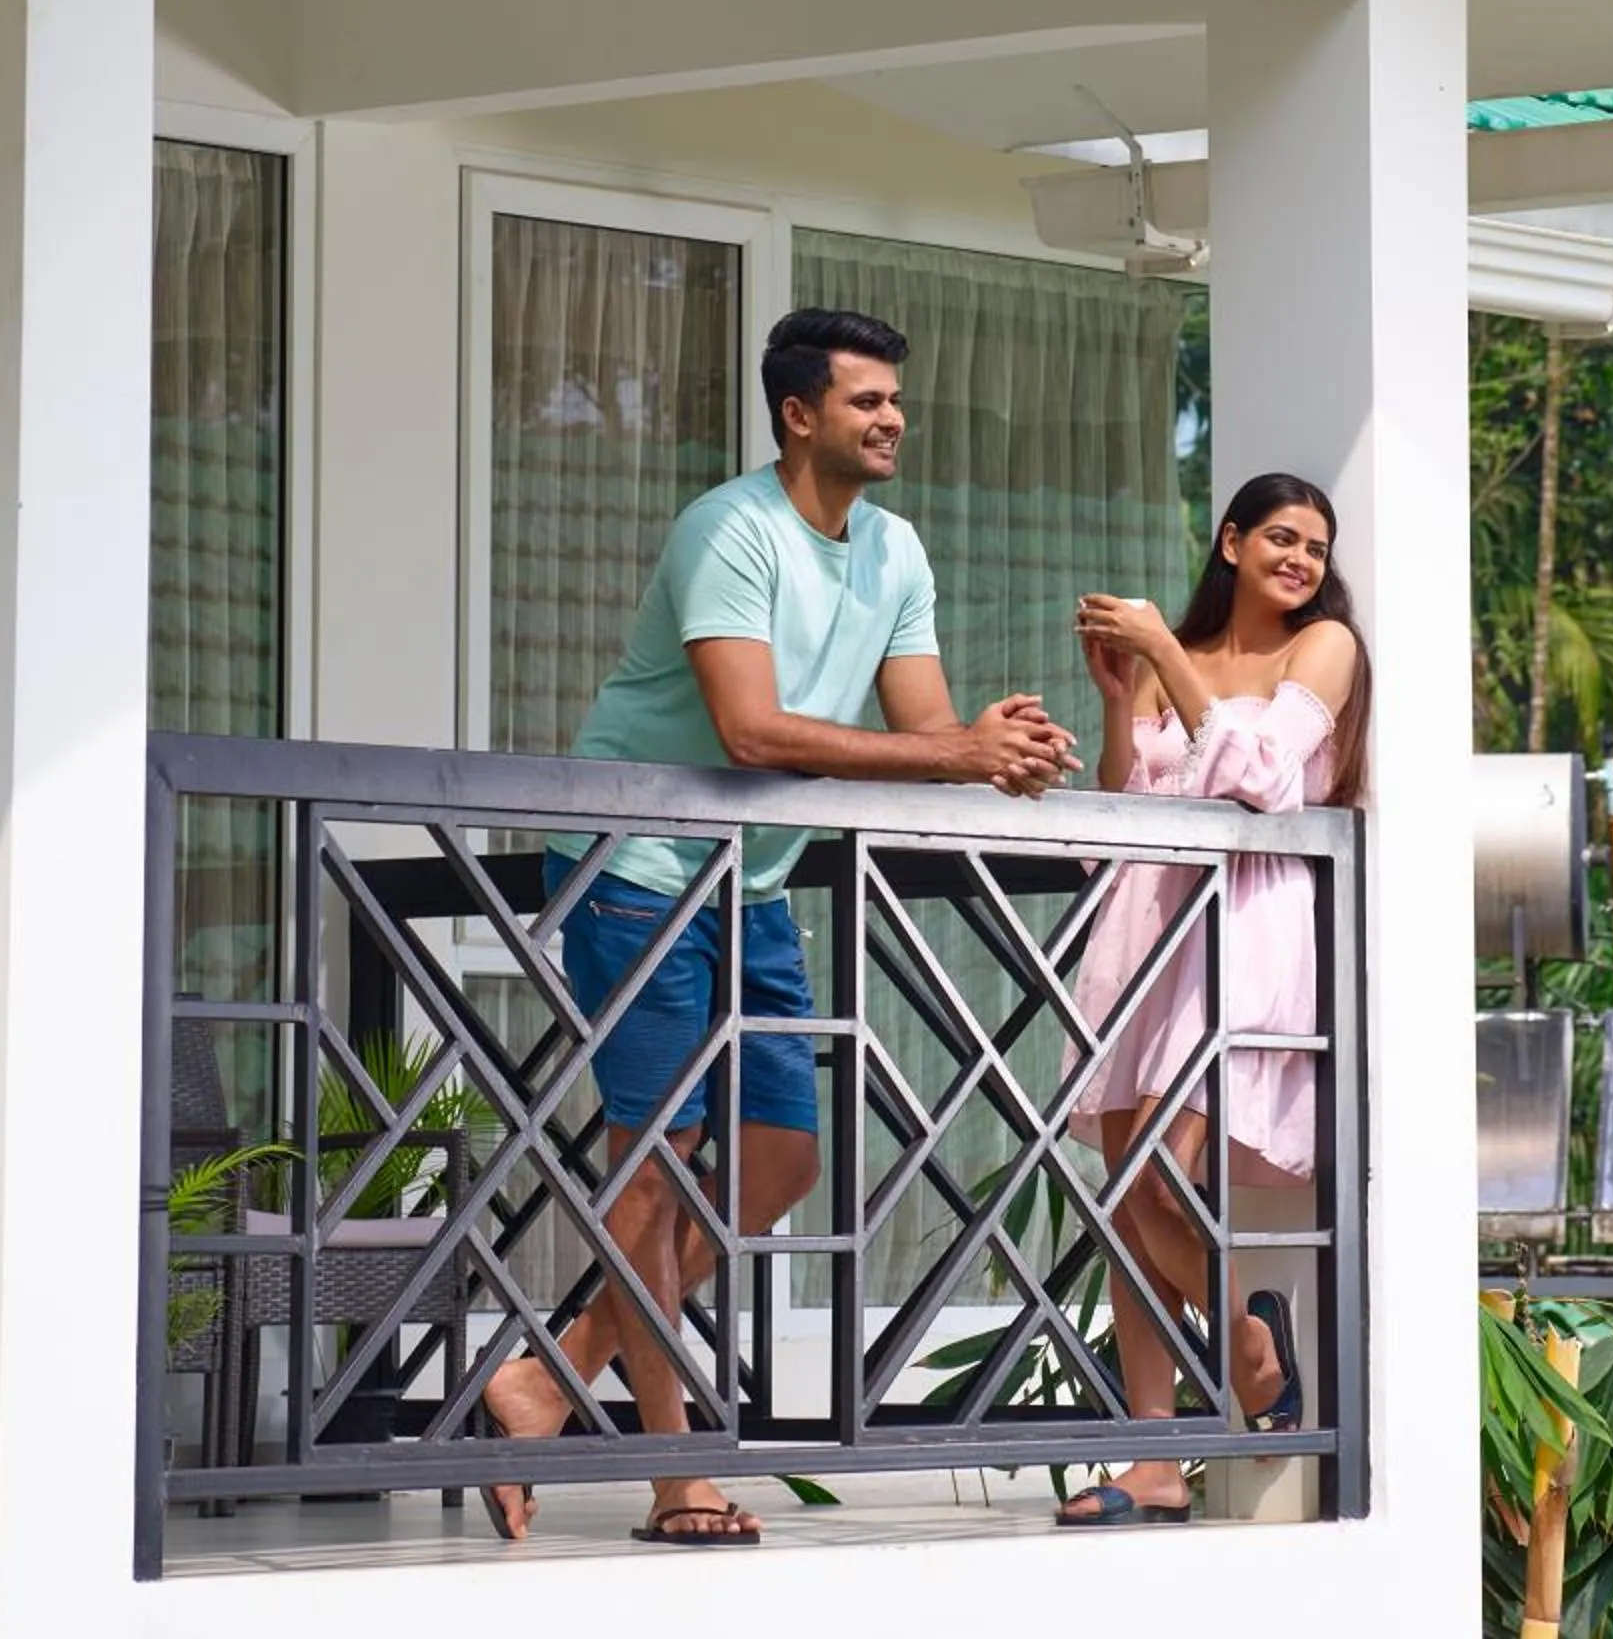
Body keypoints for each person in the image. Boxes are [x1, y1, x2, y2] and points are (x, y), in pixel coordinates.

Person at [479, 306, 1076, 1550]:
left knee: (782, 1160)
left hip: (749, 882)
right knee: (653, 1164)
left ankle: (545, 1376)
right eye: (866, 400)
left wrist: (993, 753)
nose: (892, 418)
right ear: (798, 413)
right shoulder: (730, 529)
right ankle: (675, 1474)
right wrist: (947, 750)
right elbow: (750, 730)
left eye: (896, 400)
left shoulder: (894, 549)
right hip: (635, 858)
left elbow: (923, 726)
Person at [1053, 472, 1370, 1531]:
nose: (1300, 560)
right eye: (1280, 538)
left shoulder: (1321, 649)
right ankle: (1150, 1455)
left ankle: (1247, 1343)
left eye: (1315, 547)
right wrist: (1115, 696)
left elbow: (1261, 779)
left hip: (1239, 927)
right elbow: (1124, 804)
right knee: (1120, 1198)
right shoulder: (1168, 658)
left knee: (1155, 1175)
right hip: (1143, 920)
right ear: (1230, 542)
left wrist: (1163, 657)